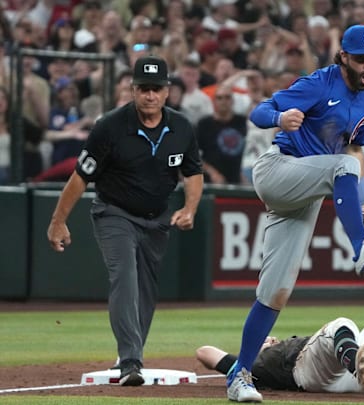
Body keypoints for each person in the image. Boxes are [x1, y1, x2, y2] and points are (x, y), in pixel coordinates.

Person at [227, 25, 364, 403]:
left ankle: (239, 374)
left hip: (304, 193)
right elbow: (259, 111)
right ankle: (361, 249)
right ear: (343, 56)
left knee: (275, 292)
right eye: (360, 58)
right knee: (342, 165)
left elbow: (356, 154)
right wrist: (281, 118)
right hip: (278, 170)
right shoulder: (319, 84)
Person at [46, 55, 204, 387]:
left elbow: (192, 173)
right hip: (114, 212)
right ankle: (131, 360)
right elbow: (80, 177)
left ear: (167, 92)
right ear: (132, 90)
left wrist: (190, 208)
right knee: (126, 277)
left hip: (157, 217)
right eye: (144, 88)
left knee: (146, 288)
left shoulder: (181, 127)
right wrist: (58, 220)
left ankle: (130, 354)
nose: (150, 95)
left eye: (156, 89)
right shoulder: (109, 126)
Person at [196, 301, 364, 399]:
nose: (269, 338)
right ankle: (360, 368)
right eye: (264, 339)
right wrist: (245, 357)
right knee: (340, 325)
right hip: (307, 371)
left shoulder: (265, 356)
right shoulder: (251, 368)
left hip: (344, 363)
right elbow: (204, 352)